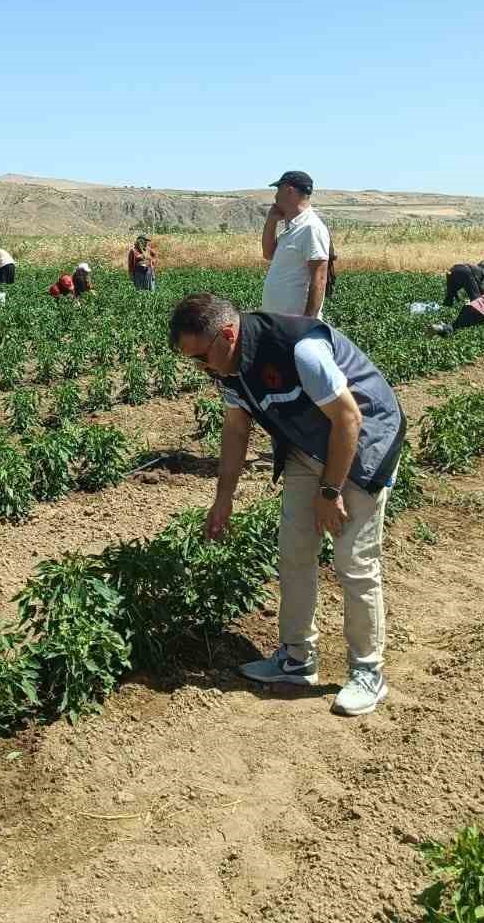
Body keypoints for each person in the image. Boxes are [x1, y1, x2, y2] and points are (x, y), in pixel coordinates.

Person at [169, 292, 405, 716]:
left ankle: (368, 672)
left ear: (227, 335)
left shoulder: (300, 350)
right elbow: (236, 432)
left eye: (201, 357)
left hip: (363, 441)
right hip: (305, 446)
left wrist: (330, 493)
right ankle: (297, 659)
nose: (200, 369)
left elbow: (349, 419)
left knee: (353, 560)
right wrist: (223, 500)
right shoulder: (228, 367)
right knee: (294, 552)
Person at [261, 171, 331, 319]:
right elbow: (268, 254)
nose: (275, 196)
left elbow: (319, 278)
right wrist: (271, 221)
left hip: (295, 324)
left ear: (289, 191)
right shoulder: (293, 228)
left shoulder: (311, 227)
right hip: (278, 321)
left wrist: (307, 323)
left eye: (278, 190)